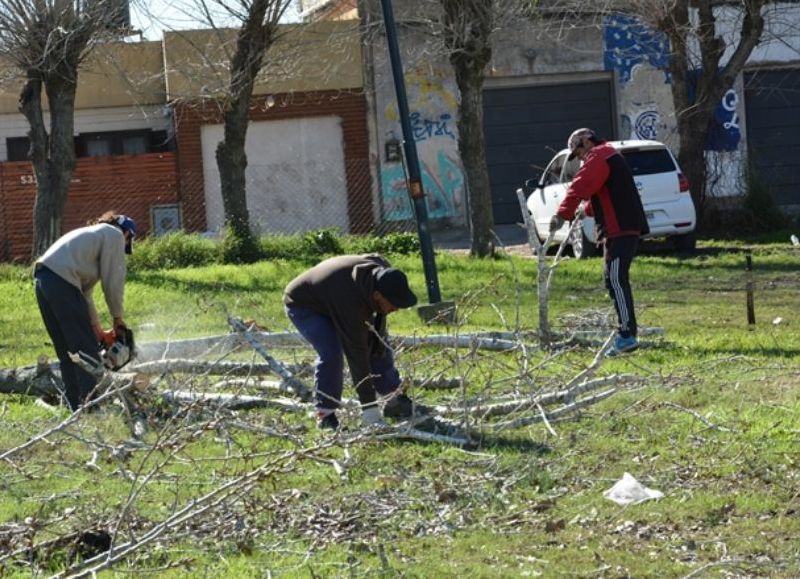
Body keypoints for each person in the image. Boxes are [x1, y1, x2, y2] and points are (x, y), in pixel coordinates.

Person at [284, 254, 424, 430]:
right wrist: (369, 409)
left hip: (332, 292)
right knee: (332, 352)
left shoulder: (382, 273)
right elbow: (357, 354)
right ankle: (325, 413)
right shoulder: (350, 302)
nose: (395, 309)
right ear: (377, 295)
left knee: (377, 340)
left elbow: (376, 337)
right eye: (393, 304)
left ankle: (392, 398)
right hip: (304, 304)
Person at [550, 128, 649, 355]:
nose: (581, 157)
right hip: (622, 226)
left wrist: (562, 213)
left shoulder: (599, 155)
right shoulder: (609, 155)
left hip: (619, 228)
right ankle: (627, 333)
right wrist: (585, 211)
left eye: (580, 151)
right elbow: (604, 192)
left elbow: (581, 185)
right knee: (613, 278)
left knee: (615, 278)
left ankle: (627, 335)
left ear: (587, 141)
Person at [33, 211, 136, 410]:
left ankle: (76, 407)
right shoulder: (114, 234)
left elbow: (84, 296)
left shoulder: (90, 239)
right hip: (62, 283)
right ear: (127, 235)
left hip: (43, 280)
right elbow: (113, 281)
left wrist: (98, 332)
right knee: (85, 351)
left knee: (67, 352)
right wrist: (118, 319)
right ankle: (91, 408)